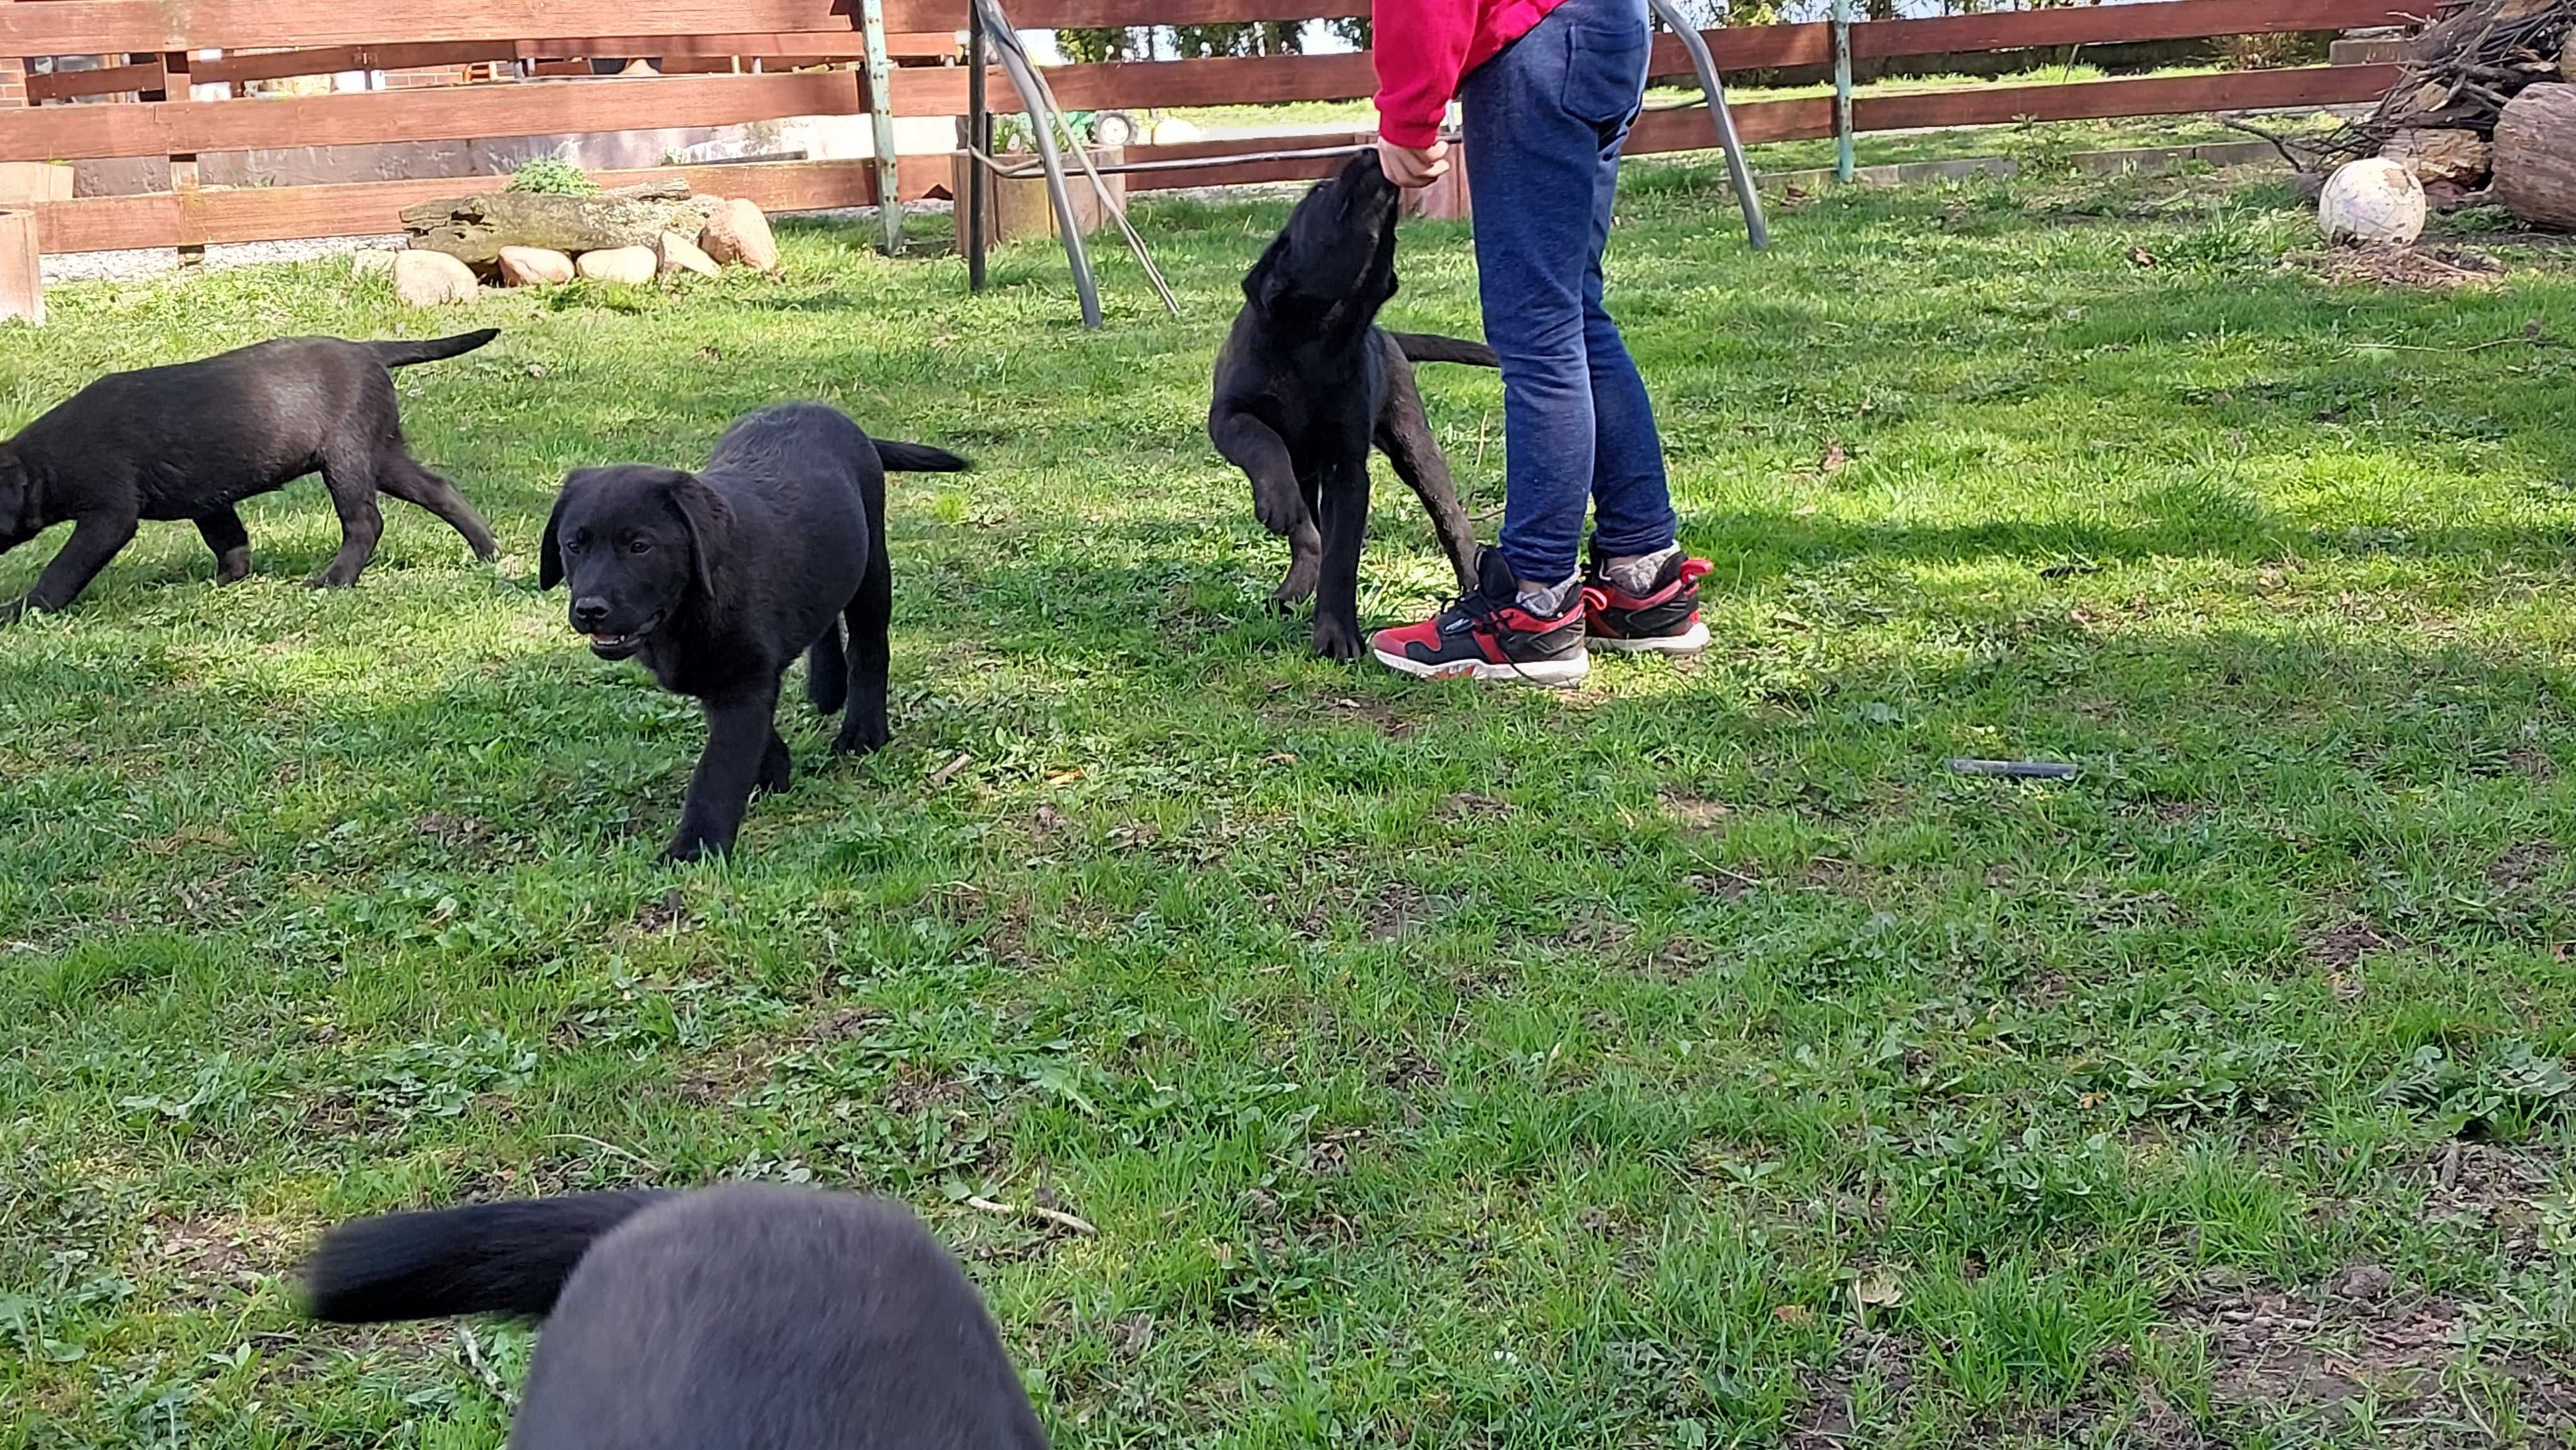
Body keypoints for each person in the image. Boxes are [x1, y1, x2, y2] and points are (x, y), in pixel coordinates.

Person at [1364, 0, 1712, 687]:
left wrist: (1408, 116)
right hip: (1609, 27)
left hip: (1538, 46)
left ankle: (1534, 608)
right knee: (1574, 311)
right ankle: (1644, 580)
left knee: (1540, 329)